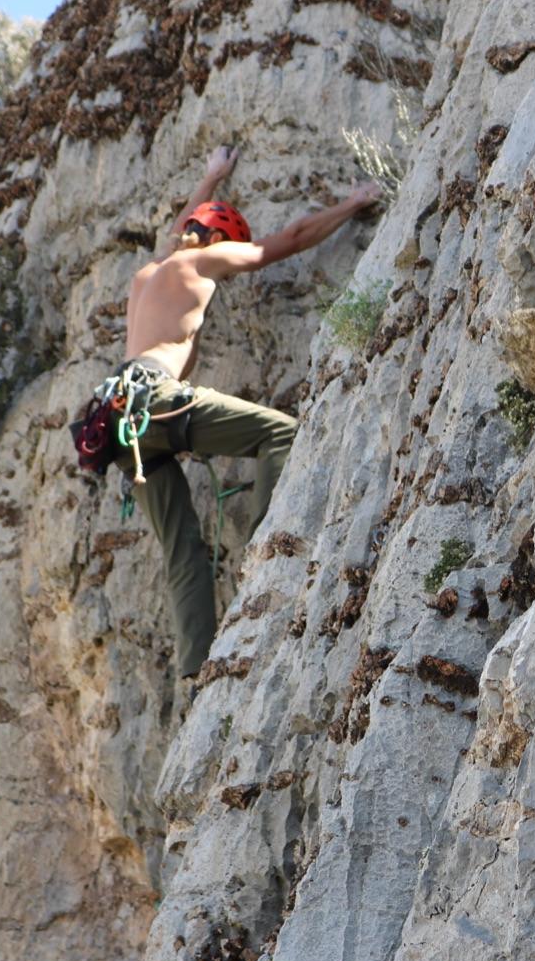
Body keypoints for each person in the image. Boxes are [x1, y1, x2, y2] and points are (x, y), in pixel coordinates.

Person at [109, 144, 381, 682]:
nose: (227, 270)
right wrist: (352, 203)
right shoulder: (202, 258)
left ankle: (195, 669)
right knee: (279, 432)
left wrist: (211, 176)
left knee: (182, 548)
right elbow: (288, 241)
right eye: (226, 250)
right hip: (156, 397)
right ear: (214, 241)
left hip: (119, 420)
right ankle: (266, 556)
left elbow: (180, 226)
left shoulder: (152, 270)